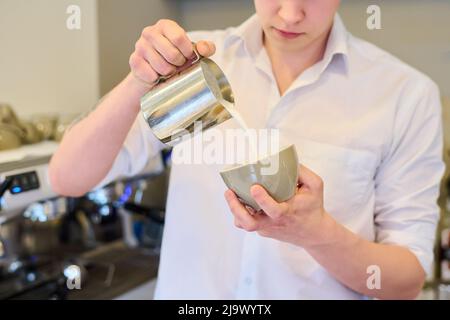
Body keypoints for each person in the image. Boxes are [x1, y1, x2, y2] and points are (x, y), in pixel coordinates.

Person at [49, 0, 445, 299]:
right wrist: (139, 81)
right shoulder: (196, 63)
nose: (290, 14)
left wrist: (318, 234)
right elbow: (68, 177)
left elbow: (406, 279)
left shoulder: (403, 95)